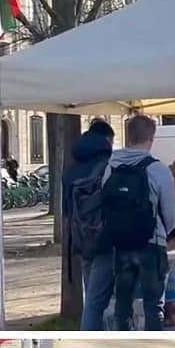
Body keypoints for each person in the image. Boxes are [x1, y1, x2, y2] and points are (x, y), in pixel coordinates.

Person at [102, 115, 175, 331]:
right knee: (154, 306)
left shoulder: (111, 166)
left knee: (122, 305)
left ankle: (121, 342)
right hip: (151, 244)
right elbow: (169, 212)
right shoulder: (157, 169)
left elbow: (105, 201)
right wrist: (164, 232)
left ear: (128, 135)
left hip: (121, 244)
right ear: (151, 138)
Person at [62, 119, 116, 332]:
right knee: (96, 301)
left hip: (81, 241)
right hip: (105, 241)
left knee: (91, 296)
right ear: (106, 140)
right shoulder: (108, 166)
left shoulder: (71, 169)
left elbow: (67, 211)